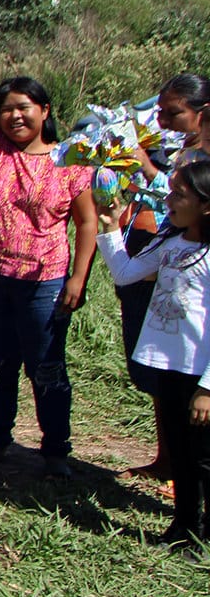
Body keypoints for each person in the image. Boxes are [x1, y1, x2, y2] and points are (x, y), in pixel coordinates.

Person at [0, 22, 96, 476]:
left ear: (44, 110)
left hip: (43, 281)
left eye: (24, 108)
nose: (14, 116)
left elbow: (87, 221)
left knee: (46, 367)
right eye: (7, 109)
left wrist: (78, 277)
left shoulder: (70, 161)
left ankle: (55, 451)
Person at [96, 162, 210, 548]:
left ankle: (201, 535)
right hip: (170, 367)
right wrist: (111, 227)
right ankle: (184, 528)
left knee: (203, 458)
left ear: (206, 205)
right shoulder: (170, 245)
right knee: (180, 452)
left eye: (179, 194)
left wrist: (208, 388)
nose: (168, 199)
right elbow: (125, 273)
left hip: (200, 375)